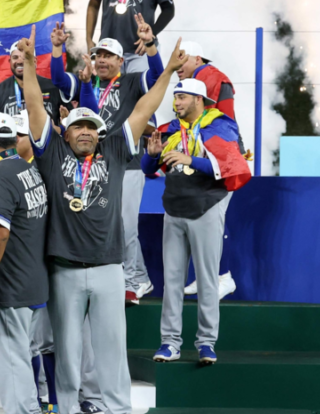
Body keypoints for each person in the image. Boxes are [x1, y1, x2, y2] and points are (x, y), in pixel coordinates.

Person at [21, 29, 187, 414]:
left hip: (109, 268)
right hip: (63, 269)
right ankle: (67, 408)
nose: (85, 132)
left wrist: (167, 72)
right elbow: (33, 107)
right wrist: (29, 65)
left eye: (91, 127)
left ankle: (118, 409)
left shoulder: (114, 149)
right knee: (67, 351)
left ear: (99, 133)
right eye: (78, 127)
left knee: (112, 348)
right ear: (66, 132)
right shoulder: (52, 153)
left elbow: (143, 109)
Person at [49, 19, 165, 304]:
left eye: (108, 56)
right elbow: (59, 79)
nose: (101, 60)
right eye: (98, 55)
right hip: (93, 164)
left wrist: (150, 45)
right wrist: (57, 49)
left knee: (126, 226)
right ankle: (135, 278)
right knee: (106, 223)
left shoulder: (131, 82)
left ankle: (132, 281)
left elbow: (158, 75)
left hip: (127, 161)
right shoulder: (86, 81)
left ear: (120, 61)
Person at [144, 79, 250, 365]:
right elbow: (148, 168)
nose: (176, 102)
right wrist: (151, 157)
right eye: (175, 97)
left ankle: (206, 343)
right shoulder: (171, 130)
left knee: (207, 280)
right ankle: (170, 343)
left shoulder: (219, 125)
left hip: (206, 207)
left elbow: (230, 164)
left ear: (199, 100)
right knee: (172, 281)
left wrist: (191, 160)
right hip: (174, 208)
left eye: (182, 97)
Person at [0, 112, 49, 414]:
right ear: (15, 139)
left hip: (9, 285)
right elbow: (21, 221)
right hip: (32, 279)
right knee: (22, 359)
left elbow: (0, 234)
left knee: (12, 368)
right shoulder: (28, 169)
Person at [176, 41, 239, 298]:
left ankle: (223, 277)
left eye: (183, 58)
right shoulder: (197, 82)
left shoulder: (212, 78)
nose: (177, 65)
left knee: (213, 218)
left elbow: (224, 123)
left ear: (198, 59)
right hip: (210, 157)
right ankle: (207, 276)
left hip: (220, 158)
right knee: (202, 218)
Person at [0, 41, 66, 124]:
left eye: (25, 57)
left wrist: (63, 126)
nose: (19, 61)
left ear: (34, 61)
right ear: (10, 61)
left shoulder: (54, 88)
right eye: (15, 57)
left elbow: (69, 123)